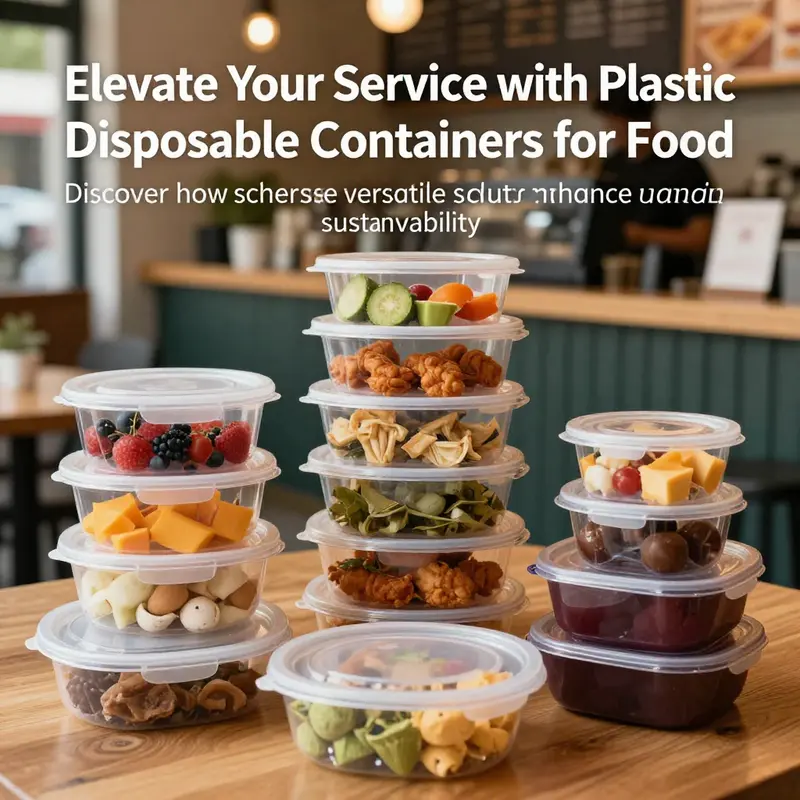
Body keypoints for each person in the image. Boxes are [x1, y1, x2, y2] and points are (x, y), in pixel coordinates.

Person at [582, 90, 715, 289]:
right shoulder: (613, 165)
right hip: (600, 284)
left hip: (660, 286)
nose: (607, 130)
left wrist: (644, 235)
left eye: (613, 123)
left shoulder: (684, 168)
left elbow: (702, 237)